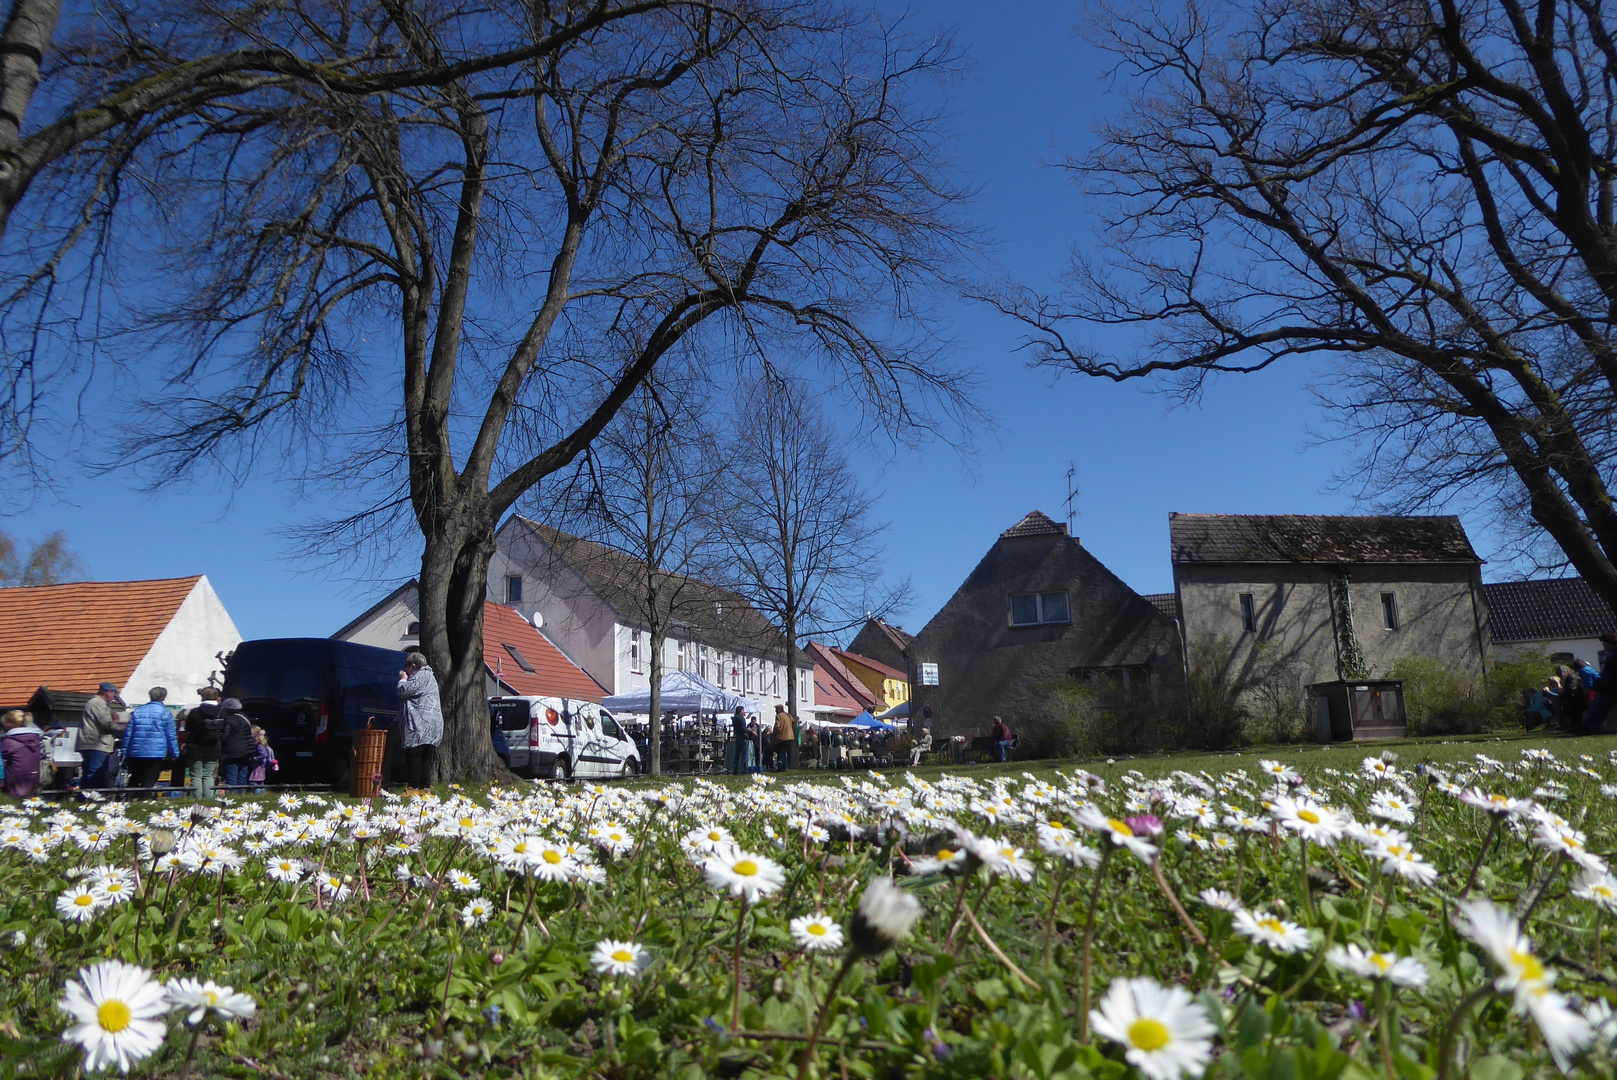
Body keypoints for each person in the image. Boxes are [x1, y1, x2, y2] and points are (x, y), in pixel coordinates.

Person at [397, 652, 443, 789]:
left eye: (406, 667)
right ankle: (424, 788)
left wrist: (402, 679)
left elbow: (403, 691)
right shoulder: (429, 676)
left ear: (413, 665)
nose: (405, 670)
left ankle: (413, 787)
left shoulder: (420, 676)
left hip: (420, 725)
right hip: (431, 725)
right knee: (425, 757)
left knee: (414, 754)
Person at [123, 688, 180, 792]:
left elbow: (128, 733)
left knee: (135, 777)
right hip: (156, 752)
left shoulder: (138, 711)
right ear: (164, 697)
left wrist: (124, 751)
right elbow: (171, 735)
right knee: (150, 778)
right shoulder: (165, 713)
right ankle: (144, 800)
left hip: (137, 750)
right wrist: (175, 753)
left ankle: (129, 799)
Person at [76, 682, 125, 790]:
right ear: (108, 693)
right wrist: (122, 727)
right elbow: (106, 723)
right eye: (114, 694)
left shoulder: (95, 703)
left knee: (88, 772)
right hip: (96, 744)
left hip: (89, 743)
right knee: (95, 773)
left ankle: (84, 796)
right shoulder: (98, 703)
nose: (114, 697)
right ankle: (91, 796)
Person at [185, 695, 223, 800]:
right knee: (208, 775)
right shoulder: (221, 712)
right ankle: (208, 800)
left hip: (195, 746)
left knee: (196, 775)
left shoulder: (195, 712)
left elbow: (187, 727)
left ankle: (197, 800)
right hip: (214, 747)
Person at [0, 709, 44, 798]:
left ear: (7, 725)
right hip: (34, 777)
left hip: (14, 780)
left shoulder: (8, 741)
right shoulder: (35, 738)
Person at [218, 698, 257, 791]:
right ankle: (242, 795)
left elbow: (225, 736)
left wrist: (218, 736)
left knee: (232, 775)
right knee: (242, 775)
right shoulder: (244, 716)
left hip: (233, 752)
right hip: (247, 750)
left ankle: (233, 796)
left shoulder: (229, 719)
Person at [247, 727, 278, 792]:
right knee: (260, 782)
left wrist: (253, 759)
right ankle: (262, 795)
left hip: (257, 767)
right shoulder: (265, 745)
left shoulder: (259, 745)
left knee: (254, 781)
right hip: (262, 767)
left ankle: (257, 795)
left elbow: (263, 754)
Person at [772, 704, 796, 771]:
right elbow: (793, 721)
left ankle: (784, 767)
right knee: (784, 751)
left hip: (782, 736)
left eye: (776, 709)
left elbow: (777, 726)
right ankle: (780, 766)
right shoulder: (788, 715)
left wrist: (776, 734)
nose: (775, 711)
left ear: (779, 709)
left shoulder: (779, 716)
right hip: (790, 736)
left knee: (781, 751)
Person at [731, 706, 749, 775]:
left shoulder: (734, 718)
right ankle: (745, 769)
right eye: (743, 710)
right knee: (745, 754)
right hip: (743, 736)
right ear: (741, 711)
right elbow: (743, 728)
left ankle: (735, 769)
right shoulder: (741, 718)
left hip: (737, 736)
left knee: (737, 754)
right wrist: (749, 730)